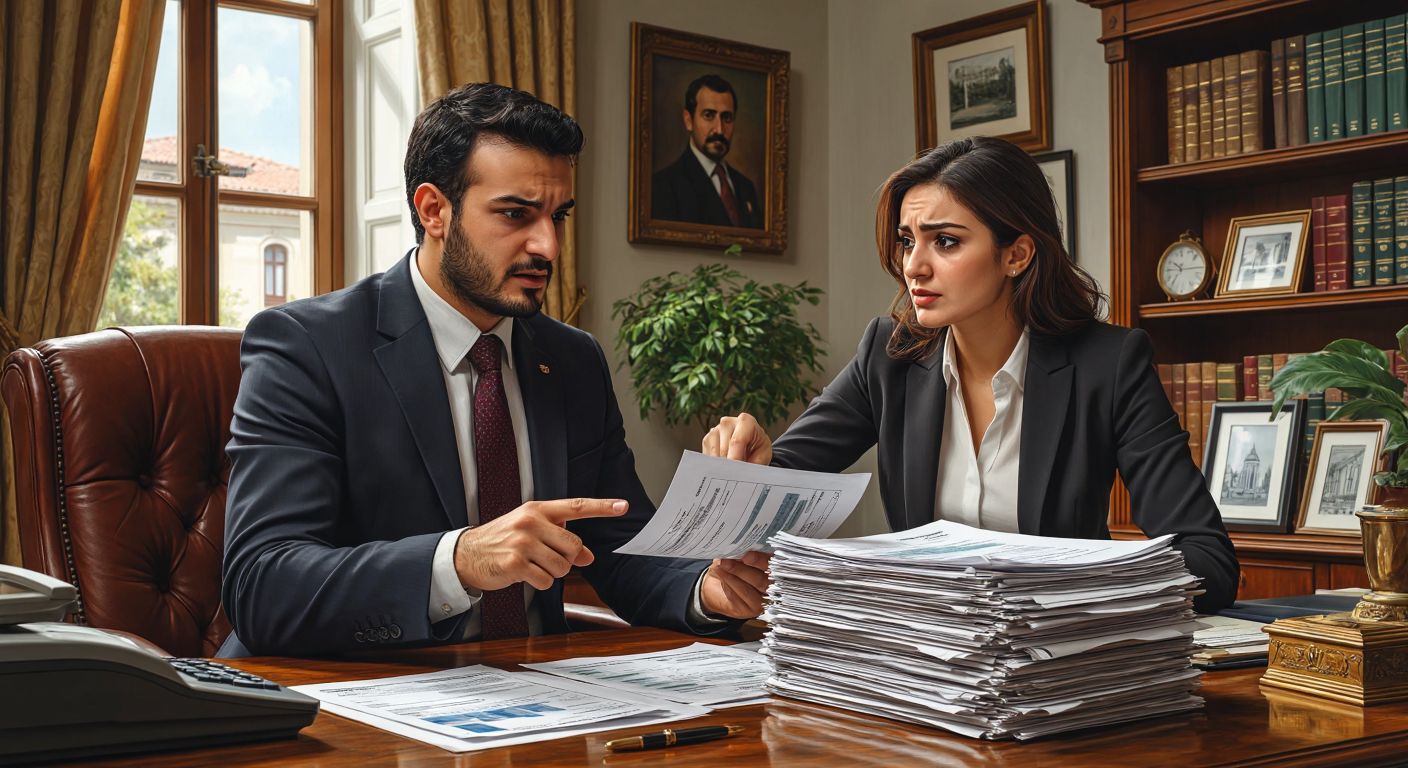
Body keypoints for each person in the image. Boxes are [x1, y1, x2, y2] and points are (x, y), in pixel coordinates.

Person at [220, 83, 769, 657]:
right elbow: (263, 585)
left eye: (558, 216)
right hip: (357, 702)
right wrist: (458, 562)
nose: (549, 245)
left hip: (539, 705)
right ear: (434, 210)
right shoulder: (306, 346)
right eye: (515, 213)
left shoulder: (574, 358)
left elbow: (621, 548)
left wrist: (708, 591)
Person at [702, 136, 1239, 612]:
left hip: (1051, 667)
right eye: (908, 240)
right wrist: (750, 465)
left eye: (947, 241)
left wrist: (1083, 589)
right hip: (925, 662)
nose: (914, 265)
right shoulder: (888, 357)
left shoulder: (1109, 364)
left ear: (1018, 254)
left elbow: (1208, 560)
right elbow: (787, 478)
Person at [651, 74, 762, 228]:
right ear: (688, 120)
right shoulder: (663, 186)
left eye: (727, 118)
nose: (719, 129)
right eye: (709, 115)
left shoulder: (746, 187)